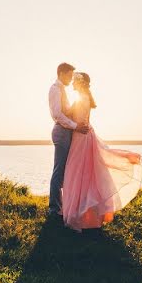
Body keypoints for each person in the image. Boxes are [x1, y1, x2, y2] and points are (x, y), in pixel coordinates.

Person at [61, 71, 142, 232]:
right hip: (85, 136)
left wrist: (63, 106)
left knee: (78, 174)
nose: (72, 83)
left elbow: (75, 119)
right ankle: (88, 216)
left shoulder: (81, 99)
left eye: (74, 81)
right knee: (86, 174)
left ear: (80, 83)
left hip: (81, 138)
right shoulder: (84, 98)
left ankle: (79, 215)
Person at [48, 62, 89, 218]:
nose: (71, 79)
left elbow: (67, 111)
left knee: (66, 170)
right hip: (61, 132)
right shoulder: (54, 89)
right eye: (70, 75)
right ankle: (54, 209)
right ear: (61, 73)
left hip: (68, 132)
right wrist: (75, 126)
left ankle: (65, 205)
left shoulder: (62, 90)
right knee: (59, 171)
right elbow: (57, 115)